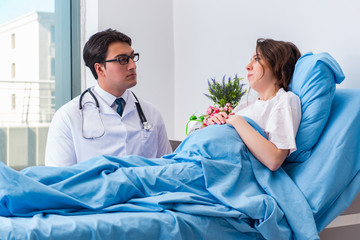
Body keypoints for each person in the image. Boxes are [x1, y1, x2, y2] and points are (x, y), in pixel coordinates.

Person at [45, 29, 172, 167]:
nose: (133, 66)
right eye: (122, 60)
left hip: (144, 189)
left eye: (132, 57)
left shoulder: (151, 113)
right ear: (100, 69)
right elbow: (59, 178)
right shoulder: (68, 117)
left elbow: (167, 169)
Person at [207, 38, 302, 171]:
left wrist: (236, 121)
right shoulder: (244, 106)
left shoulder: (284, 100)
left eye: (257, 59)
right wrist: (215, 124)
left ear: (278, 66)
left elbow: (274, 159)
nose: (248, 66)